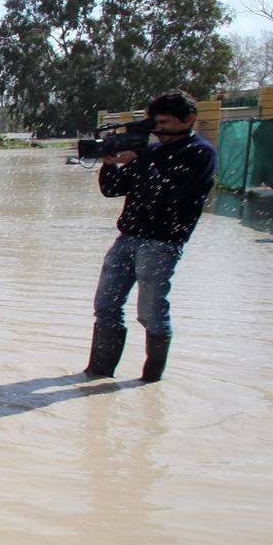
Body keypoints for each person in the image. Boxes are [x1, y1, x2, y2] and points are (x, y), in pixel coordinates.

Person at [84, 90, 216, 383]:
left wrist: (142, 158)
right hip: (126, 239)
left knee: (151, 314)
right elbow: (113, 189)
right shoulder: (152, 152)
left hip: (162, 243)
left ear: (189, 119)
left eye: (167, 122)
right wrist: (109, 163)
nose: (159, 129)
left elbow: (167, 193)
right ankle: (98, 374)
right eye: (157, 122)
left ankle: (149, 381)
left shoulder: (199, 153)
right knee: (105, 307)